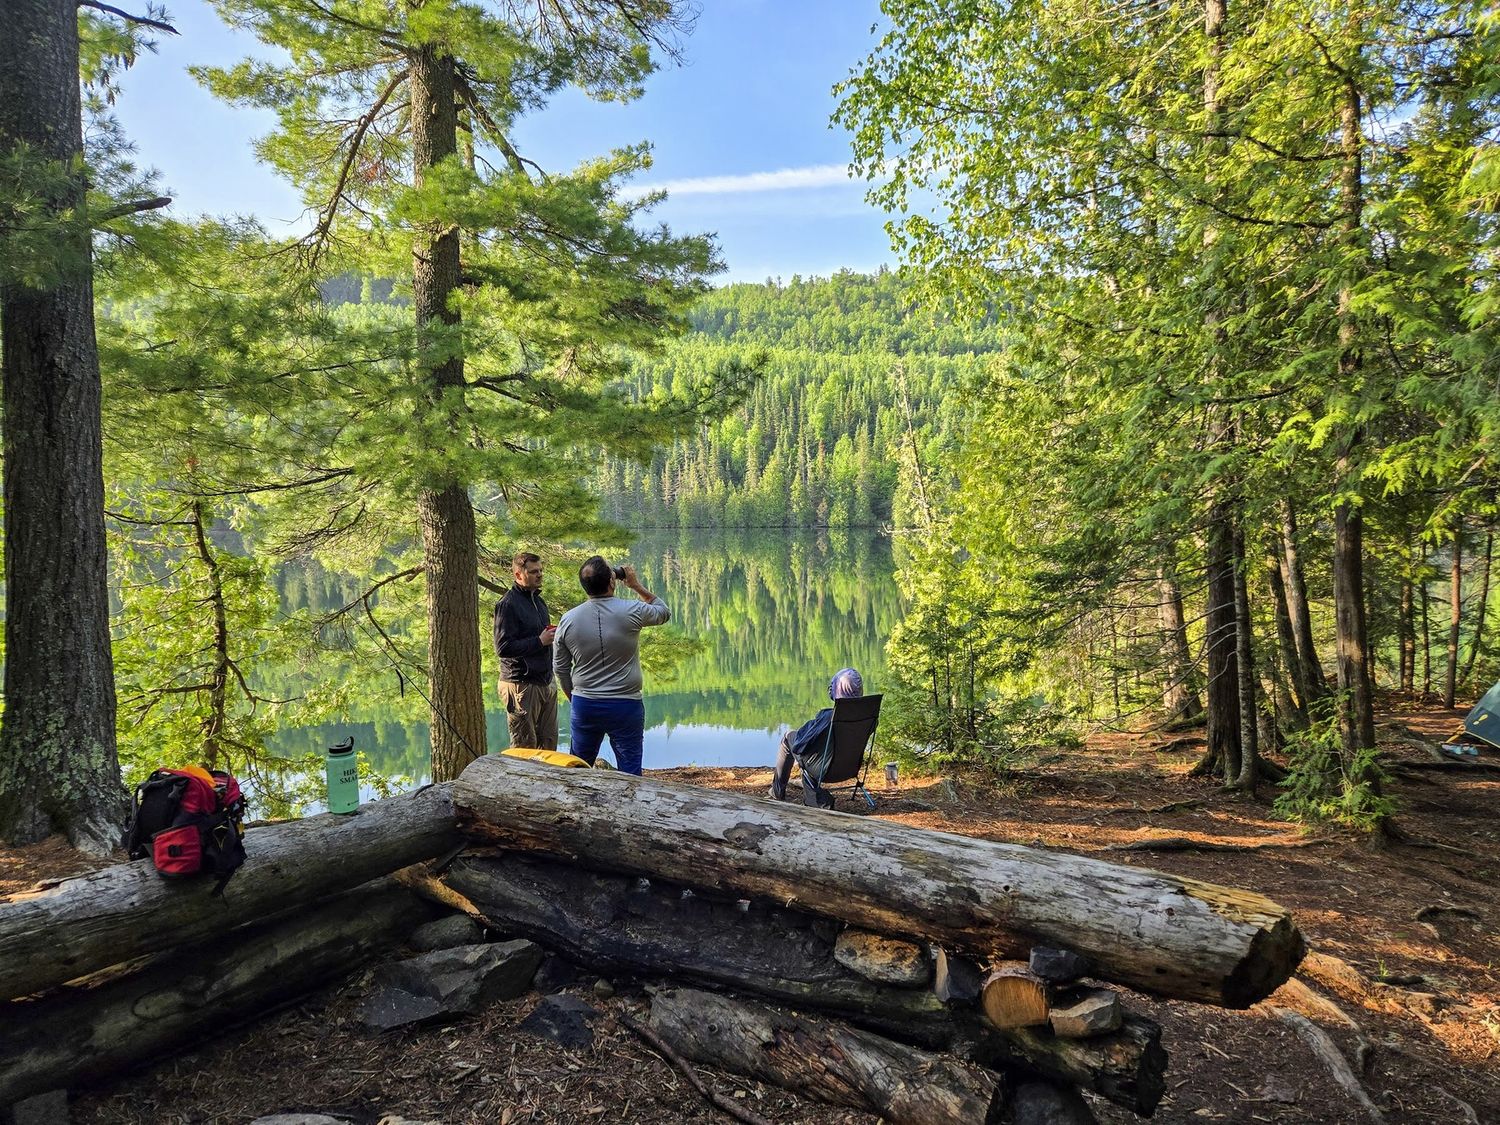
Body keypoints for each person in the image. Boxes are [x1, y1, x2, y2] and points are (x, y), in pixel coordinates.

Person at [553, 556, 671, 775]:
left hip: (585, 704)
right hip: (625, 704)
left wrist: (575, 697)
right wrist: (636, 585)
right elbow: (663, 612)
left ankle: (578, 807)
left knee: (578, 768)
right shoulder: (633, 610)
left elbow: (560, 668)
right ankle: (628, 807)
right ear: (612, 582)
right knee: (629, 770)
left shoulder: (568, 620)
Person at [769, 667, 863, 807]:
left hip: (825, 771)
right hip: (851, 769)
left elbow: (801, 744)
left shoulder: (828, 717)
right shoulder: (867, 716)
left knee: (788, 738)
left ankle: (777, 792)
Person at [493, 551, 558, 750]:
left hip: (545, 681)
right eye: (533, 572)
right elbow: (503, 647)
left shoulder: (538, 601)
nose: (539, 575)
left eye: (540, 571)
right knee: (524, 748)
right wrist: (539, 641)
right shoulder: (508, 604)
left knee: (548, 745)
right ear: (518, 575)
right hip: (520, 684)